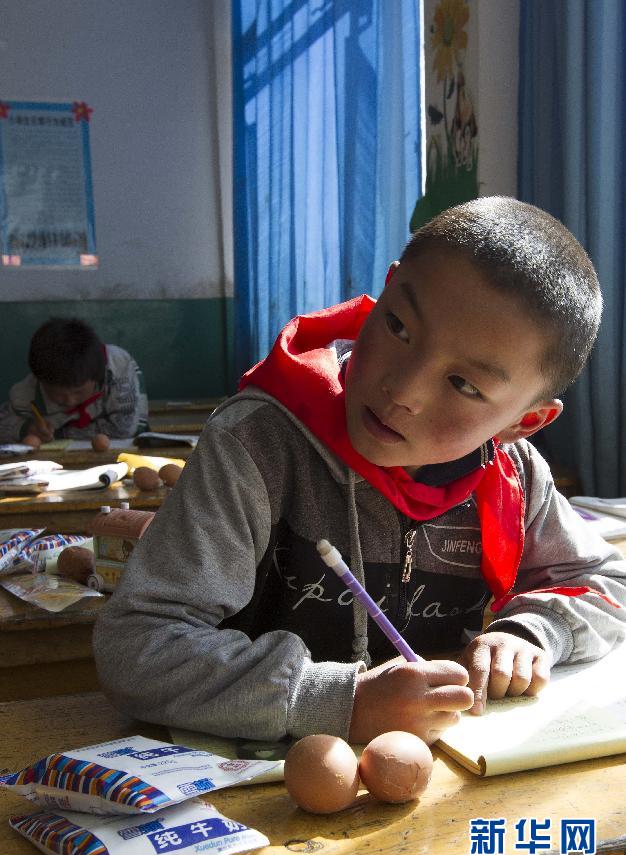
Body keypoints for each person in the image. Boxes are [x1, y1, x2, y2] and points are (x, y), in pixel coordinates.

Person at [93, 197, 626, 746]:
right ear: (385, 291)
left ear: (524, 421)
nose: (403, 390)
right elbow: (137, 645)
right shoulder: (257, 445)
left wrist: (532, 632)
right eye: (398, 326)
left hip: (441, 766)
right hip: (262, 774)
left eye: (464, 385)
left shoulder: (512, 477)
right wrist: (337, 701)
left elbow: (611, 584)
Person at [0, 318, 149, 442]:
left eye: (79, 392)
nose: (69, 401)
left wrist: (60, 433)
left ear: (97, 375)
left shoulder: (118, 367)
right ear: (39, 381)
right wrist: (26, 428)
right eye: (57, 394)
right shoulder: (26, 393)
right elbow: (3, 424)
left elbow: (124, 429)